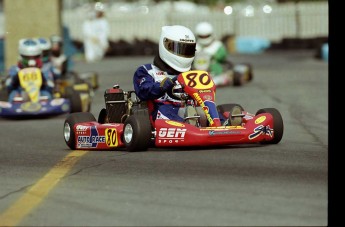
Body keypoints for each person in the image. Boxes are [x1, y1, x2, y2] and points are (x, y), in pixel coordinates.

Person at [133, 25, 227, 126]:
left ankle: (222, 123)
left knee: (205, 108)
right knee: (166, 109)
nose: (183, 53)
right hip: (161, 111)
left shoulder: (191, 73)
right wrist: (162, 86)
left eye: (187, 50)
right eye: (179, 49)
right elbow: (143, 91)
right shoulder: (147, 71)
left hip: (190, 109)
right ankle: (187, 125)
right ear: (165, 46)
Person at [193, 21, 232, 86]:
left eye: (206, 36)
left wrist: (214, 56)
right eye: (202, 37)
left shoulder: (217, 45)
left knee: (218, 74)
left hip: (214, 72)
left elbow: (222, 56)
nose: (204, 38)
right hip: (196, 71)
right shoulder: (195, 46)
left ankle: (222, 78)